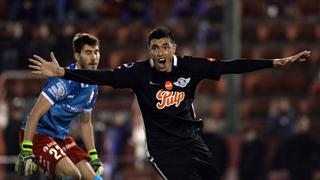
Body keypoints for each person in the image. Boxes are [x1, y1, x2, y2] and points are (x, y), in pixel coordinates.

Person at [28, 26, 311, 180]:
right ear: (149, 51)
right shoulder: (139, 72)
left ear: (173, 48)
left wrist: (274, 63)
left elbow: (231, 66)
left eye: (165, 47)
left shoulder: (191, 67)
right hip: (164, 150)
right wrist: (63, 72)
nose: (160, 53)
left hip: (193, 142)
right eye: (154, 48)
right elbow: (106, 76)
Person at [15, 33, 104, 180]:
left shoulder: (93, 86)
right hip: (39, 135)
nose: (94, 58)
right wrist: (26, 148)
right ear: (77, 56)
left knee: (94, 178)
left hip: (60, 137)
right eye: (88, 53)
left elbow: (85, 122)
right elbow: (35, 114)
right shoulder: (62, 82)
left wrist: (93, 155)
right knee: (73, 175)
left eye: (96, 52)